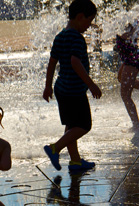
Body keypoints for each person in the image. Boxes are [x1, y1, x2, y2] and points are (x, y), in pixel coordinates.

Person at [42, 0, 102, 172]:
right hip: (74, 91)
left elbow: (52, 63)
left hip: (62, 88)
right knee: (84, 126)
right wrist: (91, 84)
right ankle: (54, 148)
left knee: (71, 125)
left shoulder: (60, 36)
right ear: (80, 17)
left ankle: (75, 161)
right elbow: (75, 62)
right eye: (89, 22)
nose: (88, 26)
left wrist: (48, 86)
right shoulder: (76, 37)